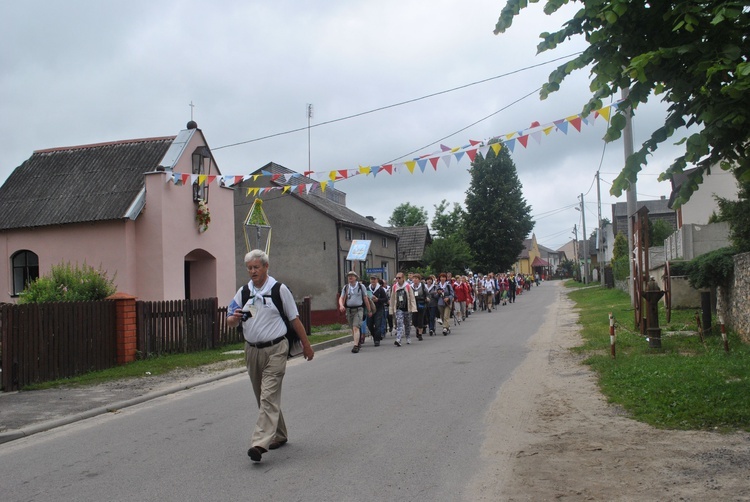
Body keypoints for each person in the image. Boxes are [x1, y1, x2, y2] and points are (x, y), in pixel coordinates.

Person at [227, 249, 314, 463]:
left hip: (276, 348)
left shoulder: (278, 289)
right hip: (252, 350)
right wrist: (234, 318)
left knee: (268, 395)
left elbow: (294, 319)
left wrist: (306, 345)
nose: (253, 271)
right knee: (263, 396)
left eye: (256, 267)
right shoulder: (244, 292)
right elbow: (230, 319)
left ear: (266, 267)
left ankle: (259, 443)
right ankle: (280, 434)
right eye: (249, 268)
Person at [338, 271, 373, 353]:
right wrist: (341, 305)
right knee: (353, 329)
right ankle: (357, 342)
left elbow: (365, 298)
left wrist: (369, 310)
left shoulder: (361, 286)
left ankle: (356, 346)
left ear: (356, 277)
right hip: (349, 310)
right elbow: (341, 298)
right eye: (349, 276)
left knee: (355, 327)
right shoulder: (346, 287)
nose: (350, 277)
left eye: (352, 276)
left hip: (358, 309)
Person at [389, 272, 416, 346]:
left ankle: (408, 336)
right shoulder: (394, 287)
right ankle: (398, 339)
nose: (397, 279)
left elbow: (412, 297)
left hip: (407, 308)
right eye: (396, 278)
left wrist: (413, 308)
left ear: (403, 278)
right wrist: (391, 309)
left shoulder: (407, 286)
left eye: (399, 278)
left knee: (407, 324)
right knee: (399, 323)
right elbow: (392, 298)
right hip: (398, 308)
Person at [367, 275, 388, 346]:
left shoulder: (380, 289)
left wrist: (378, 300)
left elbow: (385, 299)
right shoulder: (368, 289)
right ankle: (375, 335)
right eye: (371, 279)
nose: (373, 281)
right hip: (370, 309)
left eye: (374, 279)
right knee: (369, 324)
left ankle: (377, 340)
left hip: (379, 309)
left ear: (377, 280)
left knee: (377, 324)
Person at [411, 273, 428, 341]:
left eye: (416, 278)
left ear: (419, 280)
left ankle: (420, 334)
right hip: (413, 304)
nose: (415, 280)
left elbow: (427, 294)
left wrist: (427, 298)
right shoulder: (410, 287)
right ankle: (417, 329)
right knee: (414, 320)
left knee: (420, 319)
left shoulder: (423, 286)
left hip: (421, 304)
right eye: (414, 278)